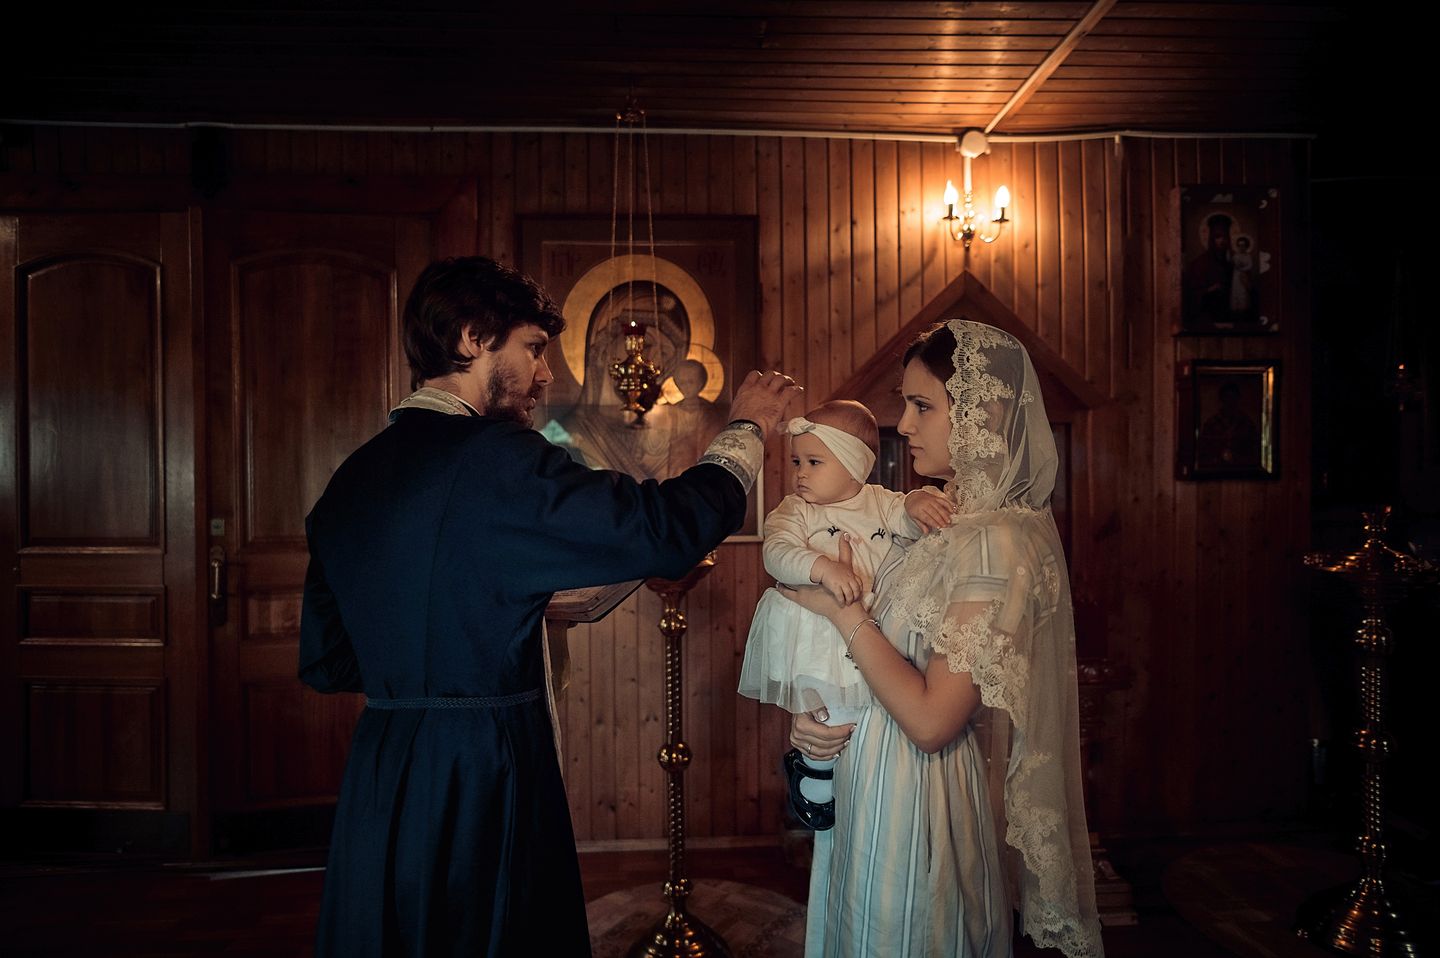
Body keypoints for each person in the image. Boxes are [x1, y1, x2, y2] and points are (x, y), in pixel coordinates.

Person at [298, 256, 799, 957]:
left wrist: (472, 623)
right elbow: (667, 530)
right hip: (482, 767)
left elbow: (328, 659)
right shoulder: (499, 460)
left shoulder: (351, 479)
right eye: (533, 349)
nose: (545, 374)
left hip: (382, 772)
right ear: (473, 338)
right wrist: (744, 428)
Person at [785, 320, 1103, 957]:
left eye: (922, 405)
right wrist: (815, 719)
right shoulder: (943, 521)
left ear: (985, 413)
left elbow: (932, 720)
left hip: (917, 799)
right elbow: (883, 657)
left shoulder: (996, 543)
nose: (903, 425)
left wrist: (843, 615)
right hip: (866, 773)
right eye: (905, 405)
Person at [736, 400, 954, 828]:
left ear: (854, 465)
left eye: (814, 462)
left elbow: (909, 518)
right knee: (828, 710)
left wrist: (917, 501)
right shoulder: (796, 510)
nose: (801, 473)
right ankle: (814, 770)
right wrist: (822, 567)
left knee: (860, 710)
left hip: (867, 629)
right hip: (814, 630)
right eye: (797, 461)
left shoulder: (879, 502)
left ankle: (839, 775)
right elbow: (776, 552)